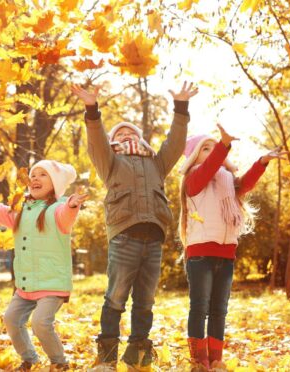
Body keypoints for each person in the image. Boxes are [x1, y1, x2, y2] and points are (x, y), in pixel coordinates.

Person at [71, 82, 198, 369]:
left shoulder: (156, 163)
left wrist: (180, 108)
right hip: (125, 236)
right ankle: (106, 357)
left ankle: (137, 355)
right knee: (116, 297)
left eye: (131, 131)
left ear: (140, 138)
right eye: (120, 132)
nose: (126, 133)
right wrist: (92, 109)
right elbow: (97, 139)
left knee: (145, 300)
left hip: (153, 238)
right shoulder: (110, 162)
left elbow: (175, 144)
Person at [0, 160, 87, 371]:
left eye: (43, 175)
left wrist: (72, 205)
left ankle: (59, 363)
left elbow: (66, 214)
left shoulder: (57, 211)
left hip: (52, 282)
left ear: (55, 185)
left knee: (41, 323)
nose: (35, 178)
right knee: (11, 319)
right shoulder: (20, 212)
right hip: (26, 284)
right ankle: (30, 359)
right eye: (34, 175)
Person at [178, 125, 287, 370]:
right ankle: (199, 360)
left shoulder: (227, 181)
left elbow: (246, 184)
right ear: (195, 156)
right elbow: (208, 169)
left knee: (219, 309)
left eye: (213, 148)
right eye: (205, 148)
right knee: (200, 307)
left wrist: (262, 161)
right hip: (200, 254)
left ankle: (216, 359)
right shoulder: (194, 179)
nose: (212, 152)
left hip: (225, 254)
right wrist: (223, 144)